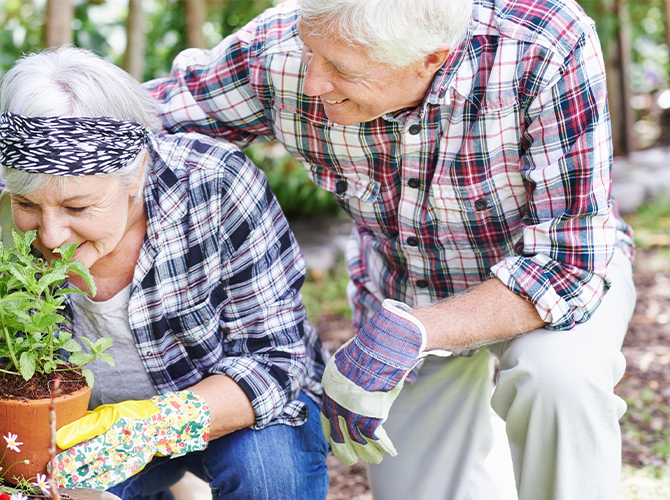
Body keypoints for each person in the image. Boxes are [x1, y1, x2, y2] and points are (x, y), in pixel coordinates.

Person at [141, 0, 637, 499]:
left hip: (547, 280)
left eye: (342, 68)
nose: (312, 83)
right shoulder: (280, 47)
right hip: (405, 285)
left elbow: (569, 261)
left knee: (557, 379)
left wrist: (410, 333)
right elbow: (138, 126)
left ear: (430, 59)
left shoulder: (542, 42)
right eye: (310, 52)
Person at [0, 46, 329, 500]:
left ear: (135, 175)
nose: (49, 235)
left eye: (77, 207)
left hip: (234, 412)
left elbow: (275, 360)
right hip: (92, 430)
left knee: (269, 476)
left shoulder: (216, 186)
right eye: (27, 204)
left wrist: (152, 426)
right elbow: (6, 378)